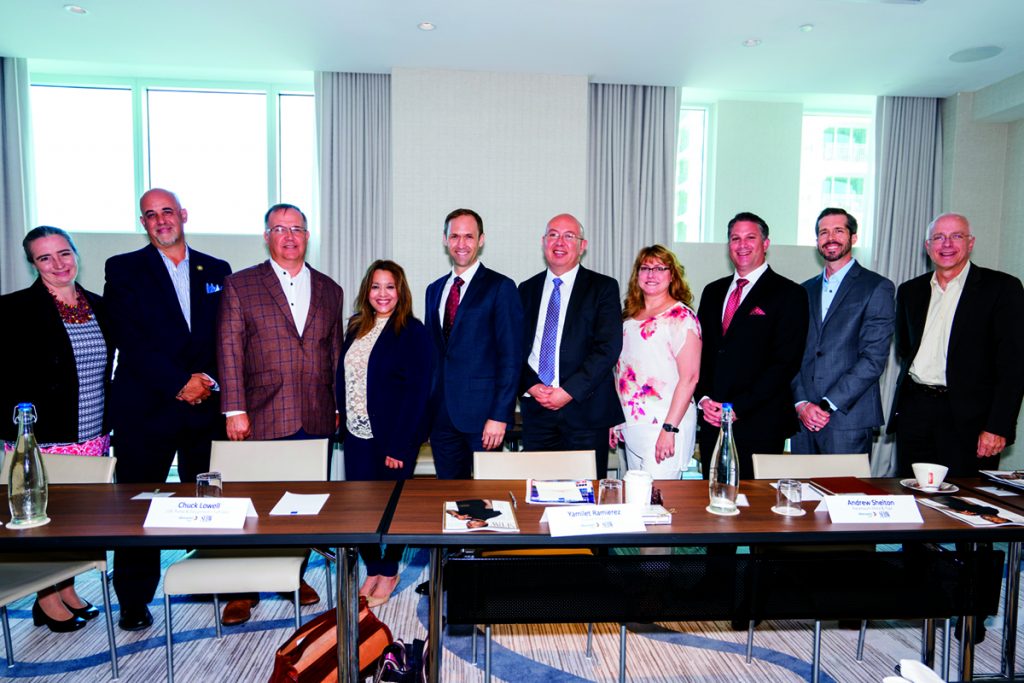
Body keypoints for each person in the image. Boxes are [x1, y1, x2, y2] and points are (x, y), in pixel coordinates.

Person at [104, 188, 231, 631]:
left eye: (167, 212)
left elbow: (226, 335)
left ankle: (212, 579)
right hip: (146, 409)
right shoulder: (123, 269)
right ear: (143, 223)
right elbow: (129, 339)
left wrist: (207, 381)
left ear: (183, 215)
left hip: (204, 406)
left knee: (208, 501)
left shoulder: (216, 269)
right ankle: (135, 600)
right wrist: (180, 382)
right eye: (150, 215)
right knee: (138, 506)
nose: (160, 220)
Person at [216, 202, 344, 624]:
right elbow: (230, 349)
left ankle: (293, 574)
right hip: (261, 413)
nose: (289, 236)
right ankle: (243, 588)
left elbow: (334, 353)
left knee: (303, 505)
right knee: (251, 504)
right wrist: (234, 408)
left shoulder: (330, 289)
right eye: (279, 228)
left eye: (297, 229)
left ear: (307, 236)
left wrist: (339, 405)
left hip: (316, 414)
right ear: (266, 236)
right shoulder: (240, 284)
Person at [0, 226, 114, 632]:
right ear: (33, 264)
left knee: (79, 518)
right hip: (44, 435)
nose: (58, 264)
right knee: (48, 518)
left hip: (94, 431)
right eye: (45, 258)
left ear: (75, 254)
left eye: (64, 253)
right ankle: (45, 596)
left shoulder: (100, 306)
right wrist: (17, 428)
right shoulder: (12, 309)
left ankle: (66, 588)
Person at [890, 213, 1024, 477]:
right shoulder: (910, 291)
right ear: (928, 246)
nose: (946, 244)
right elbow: (905, 348)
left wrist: (998, 426)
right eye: (938, 237)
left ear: (971, 243)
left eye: (956, 236)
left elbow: (1014, 365)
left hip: (971, 421)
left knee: (964, 504)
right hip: (915, 413)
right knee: (911, 496)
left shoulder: (1002, 288)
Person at [339, 260, 431, 606]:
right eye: (376, 286)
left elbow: (417, 393)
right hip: (356, 434)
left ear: (400, 291)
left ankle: (389, 569)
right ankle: (373, 569)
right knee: (360, 507)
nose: (382, 294)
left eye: (389, 287)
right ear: (367, 291)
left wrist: (401, 445)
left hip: (393, 438)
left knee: (392, 507)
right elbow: (345, 378)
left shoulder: (412, 331)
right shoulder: (356, 327)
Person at [695, 212, 808, 480]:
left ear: (765, 244)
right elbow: (701, 352)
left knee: (754, 511)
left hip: (760, 422)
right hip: (713, 422)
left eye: (750, 238)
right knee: (711, 500)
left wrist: (738, 407)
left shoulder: (790, 294)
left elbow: (785, 363)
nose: (742, 245)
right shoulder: (713, 291)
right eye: (735, 238)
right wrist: (704, 398)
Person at [518, 213, 622, 479]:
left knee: (585, 497)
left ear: (582, 245)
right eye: (553, 234)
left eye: (568, 236)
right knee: (537, 494)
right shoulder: (525, 290)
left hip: (585, 411)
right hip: (536, 411)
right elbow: (514, 348)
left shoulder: (603, 288)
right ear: (543, 242)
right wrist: (530, 384)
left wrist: (567, 391)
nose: (559, 242)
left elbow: (608, 348)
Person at [424, 209, 523, 479]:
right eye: (454, 236)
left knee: (487, 499)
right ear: (444, 239)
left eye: (469, 236)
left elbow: (511, 358)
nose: (461, 243)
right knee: (451, 496)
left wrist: (500, 416)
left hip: (484, 419)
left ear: (481, 240)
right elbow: (434, 356)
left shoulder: (501, 287)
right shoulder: (434, 290)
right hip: (442, 419)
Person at [791, 208, 895, 456]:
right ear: (817, 240)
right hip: (803, 419)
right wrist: (802, 403)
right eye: (823, 232)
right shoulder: (804, 291)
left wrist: (827, 405)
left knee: (843, 494)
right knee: (799, 494)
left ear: (853, 238)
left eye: (839, 230)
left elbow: (873, 358)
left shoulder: (876, 287)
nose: (830, 237)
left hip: (848, 418)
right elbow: (792, 353)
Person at [610, 245, 702, 478]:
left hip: (665, 427)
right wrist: (614, 420)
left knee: (656, 506)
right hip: (632, 427)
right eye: (645, 268)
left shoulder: (682, 317)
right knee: (635, 500)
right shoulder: (628, 317)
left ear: (672, 275)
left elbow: (690, 378)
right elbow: (621, 371)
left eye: (660, 268)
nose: (651, 274)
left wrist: (669, 429)